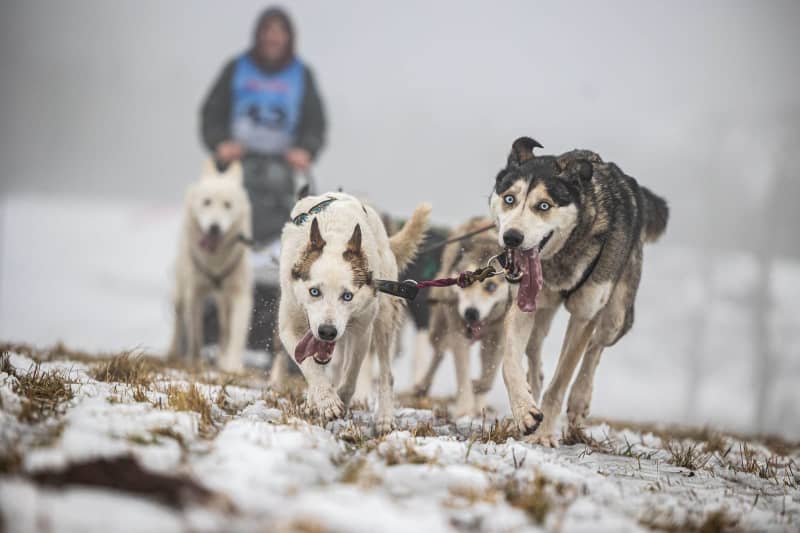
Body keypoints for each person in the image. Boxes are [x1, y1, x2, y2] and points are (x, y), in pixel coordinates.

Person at [200, 6, 326, 355]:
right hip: (236, 170)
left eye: (279, 32)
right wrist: (220, 142)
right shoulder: (236, 69)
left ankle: (275, 332)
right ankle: (211, 331)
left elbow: (316, 124)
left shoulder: (303, 76)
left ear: (288, 37)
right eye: (267, 31)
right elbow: (210, 114)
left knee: (279, 248)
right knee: (225, 241)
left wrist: (306, 148)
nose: (273, 37)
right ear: (258, 35)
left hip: (282, 173)